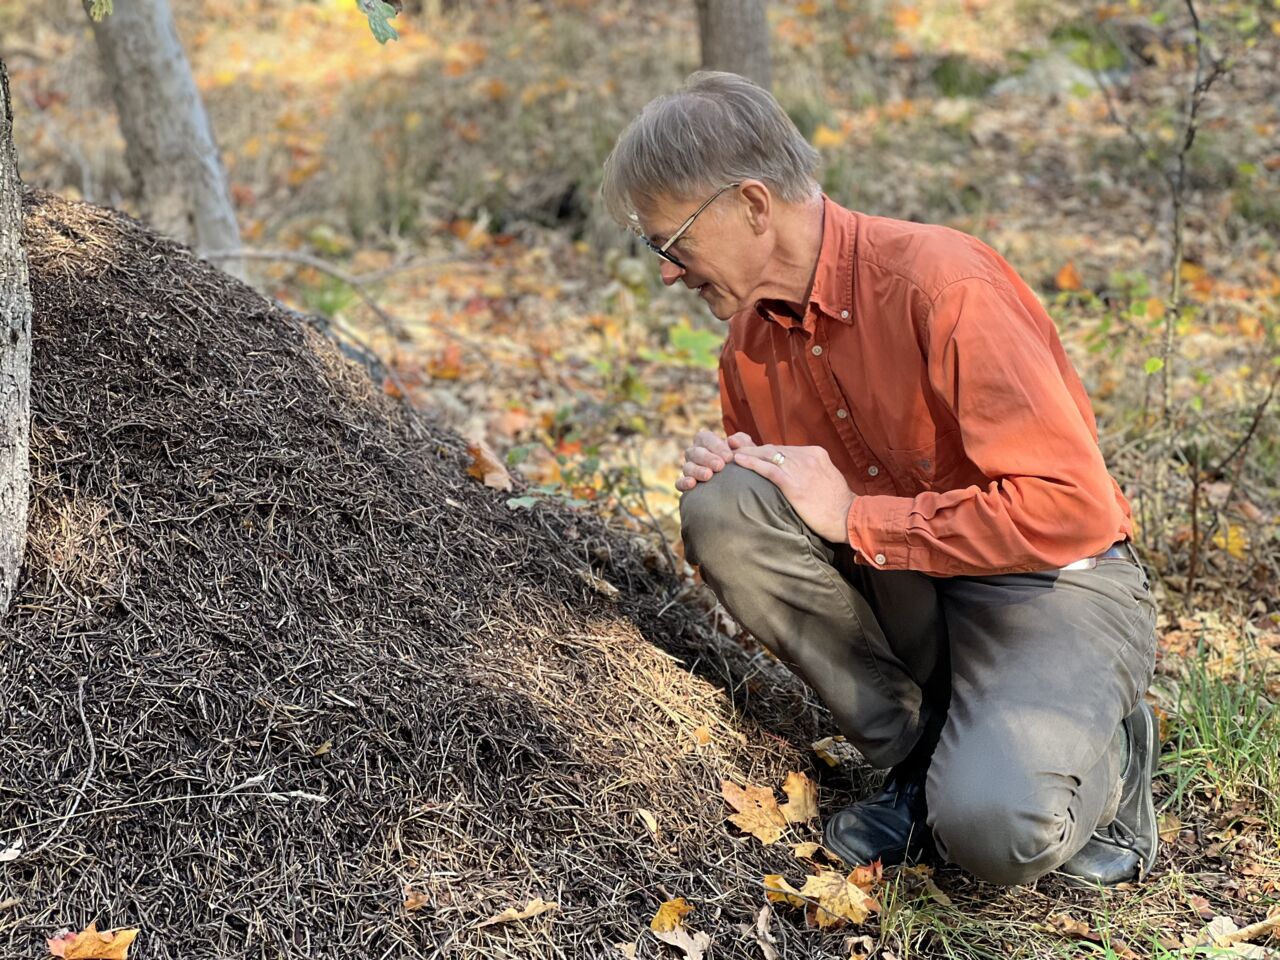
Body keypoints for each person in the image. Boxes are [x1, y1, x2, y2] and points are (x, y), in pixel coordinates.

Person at [601, 71, 1160, 887]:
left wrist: (857, 516)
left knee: (995, 832)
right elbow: (794, 527)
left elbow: (1071, 510)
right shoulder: (749, 344)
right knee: (725, 507)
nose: (668, 272)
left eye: (672, 242)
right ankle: (919, 759)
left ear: (753, 205)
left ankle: (1109, 754)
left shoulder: (944, 283)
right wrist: (740, 477)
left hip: (1047, 589)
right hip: (912, 593)